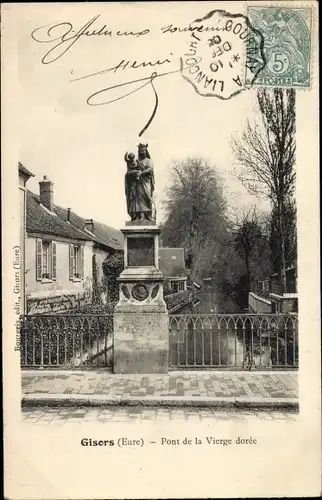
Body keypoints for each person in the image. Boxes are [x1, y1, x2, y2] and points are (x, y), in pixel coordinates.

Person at [124, 144, 155, 221]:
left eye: (143, 150)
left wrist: (141, 173)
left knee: (148, 198)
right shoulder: (136, 161)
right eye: (141, 151)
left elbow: (150, 169)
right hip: (138, 183)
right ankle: (139, 215)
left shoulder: (148, 161)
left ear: (146, 151)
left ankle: (148, 215)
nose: (142, 152)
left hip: (146, 182)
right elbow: (130, 168)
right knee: (138, 199)